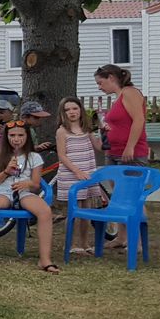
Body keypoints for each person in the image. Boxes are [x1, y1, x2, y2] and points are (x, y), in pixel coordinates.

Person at [0, 122, 58, 272]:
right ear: (6, 137)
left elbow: (36, 184)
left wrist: (27, 183)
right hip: (2, 191)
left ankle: (45, 259)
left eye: (20, 135)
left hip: (24, 192)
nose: (16, 139)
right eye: (12, 135)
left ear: (27, 137)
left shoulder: (34, 157)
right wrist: (6, 172)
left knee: (45, 211)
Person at [54, 97, 106, 257]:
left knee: (86, 210)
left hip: (87, 173)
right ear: (63, 113)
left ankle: (85, 243)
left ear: (80, 110)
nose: (72, 112)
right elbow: (62, 156)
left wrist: (104, 131)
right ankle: (72, 244)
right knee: (74, 211)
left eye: (75, 108)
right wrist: (76, 171)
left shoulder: (86, 129)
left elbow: (99, 147)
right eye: (67, 110)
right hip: (71, 174)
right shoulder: (62, 131)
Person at [95, 64, 149, 165]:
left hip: (129, 155)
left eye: (100, 83)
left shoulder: (129, 92)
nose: (99, 88)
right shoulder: (117, 99)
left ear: (111, 78)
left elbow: (139, 120)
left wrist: (130, 147)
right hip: (113, 153)